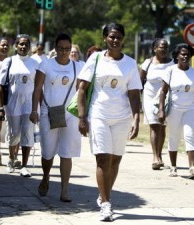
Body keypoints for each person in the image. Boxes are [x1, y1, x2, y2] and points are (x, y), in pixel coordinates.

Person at [77, 23, 142, 221]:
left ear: (123, 39)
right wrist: (82, 117)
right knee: (103, 158)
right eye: (111, 37)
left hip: (122, 118)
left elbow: (133, 94)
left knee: (115, 160)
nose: (115, 40)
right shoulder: (95, 59)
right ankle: (106, 204)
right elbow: (82, 89)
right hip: (99, 114)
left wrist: (136, 118)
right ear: (105, 38)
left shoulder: (130, 63)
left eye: (119, 37)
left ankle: (104, 194)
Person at [30, 33, 83, 202]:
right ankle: (45, 177)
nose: (64, 52)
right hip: (48, 112)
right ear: (55, 48)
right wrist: (34, 110)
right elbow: (37, 88)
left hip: (70, 114)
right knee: (48, 152)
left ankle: (65, 190)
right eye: (60, 48)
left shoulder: (78, 66)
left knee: (67, 152)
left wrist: (83, 115)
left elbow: (82, 91)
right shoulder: (45, 64)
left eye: (67, 49)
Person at [158, 43, 194, 179]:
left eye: (188, 54)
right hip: (174, 108)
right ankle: (173, 167)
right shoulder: (170, 71)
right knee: (174, 136)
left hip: (190, 108)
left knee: (190, 135)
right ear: (177, 56)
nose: (185, 56)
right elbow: (163, 92)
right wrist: (161, 110)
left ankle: (192, 168)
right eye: (182, 54)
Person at [0, 34, 39, 176]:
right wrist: (1, 107)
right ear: (16, 46)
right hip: (13, 103)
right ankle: (11, 159)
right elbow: (0, 86)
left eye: (26, 44)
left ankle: (24, 165)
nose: (23, 47)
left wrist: (36, 108)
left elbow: (39, 87)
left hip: (29, 103)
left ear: (29, 46)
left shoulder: (35, 63)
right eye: (20, 44)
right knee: (14, 134)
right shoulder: (9, 62)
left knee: (27, 132)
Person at [139, 38, 174, 170]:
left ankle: (159, 154)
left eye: (166, 47)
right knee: (154, 125)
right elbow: (139, 80)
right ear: (155, 49)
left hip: (165, 96)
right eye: (161, 47)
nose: (164, 49)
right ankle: (155, 157)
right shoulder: (148, 63)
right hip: (149, 96)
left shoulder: (172, 64)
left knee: (162, 126)